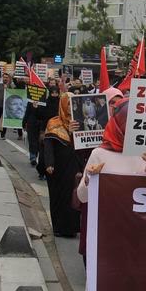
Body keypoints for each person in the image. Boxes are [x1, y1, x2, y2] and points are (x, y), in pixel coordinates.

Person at [76, 98, 146, 264]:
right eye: (129, 122)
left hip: (139, 233)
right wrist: (90, 178)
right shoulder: (99, 154)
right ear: (118, 123)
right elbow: (82, 197)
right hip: (106, 233)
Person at [42, 92, 82, 238]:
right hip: (57, 167)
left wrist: (73, 133)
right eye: (70, 104)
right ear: (64, 105)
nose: (72, 107)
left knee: (72, 196)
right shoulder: (54, 123)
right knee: (58, 196)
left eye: (74, 104)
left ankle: (71, 228)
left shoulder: (80, 122)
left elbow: (83, 146)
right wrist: (49, 163)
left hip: (73, 165)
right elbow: (48, 145)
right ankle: (59, 227)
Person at [0, 73, 11, 139]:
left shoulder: (10, 85)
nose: (5, 78)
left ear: (8, 78)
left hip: (6, 105)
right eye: (4, 77)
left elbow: (14, 92)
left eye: (7, 77)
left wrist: (8, 89)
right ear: (2, 78)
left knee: (5, 120)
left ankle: (3, 134)